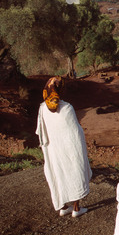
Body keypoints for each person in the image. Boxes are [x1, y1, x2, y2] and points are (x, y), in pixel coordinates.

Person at [35, 76, 91, 217]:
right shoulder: (67, 107)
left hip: (54, 151)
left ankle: (63, 207)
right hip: (70, 149)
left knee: (59, 174)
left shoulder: (42, 108)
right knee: (75, 171)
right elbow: (75, 131)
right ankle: (76, 208)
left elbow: (42, 132)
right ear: (60, 89)